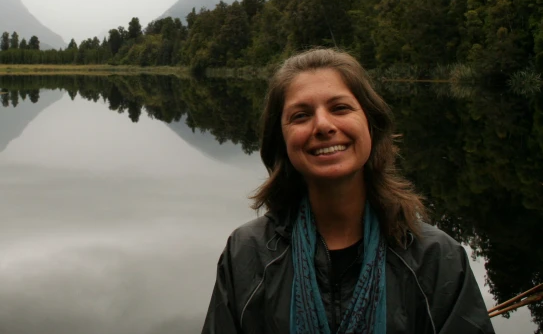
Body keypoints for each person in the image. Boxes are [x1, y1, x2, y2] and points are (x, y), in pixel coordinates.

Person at [201, 48, 494, 334]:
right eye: (301, 116)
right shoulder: (247, 253)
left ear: (371, 124)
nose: (323, 125)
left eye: (340, 108)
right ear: (281, 140)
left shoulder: (436, 258)